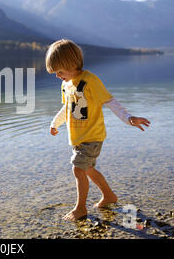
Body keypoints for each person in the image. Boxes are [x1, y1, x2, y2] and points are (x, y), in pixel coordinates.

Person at [46, 39, 150, 221]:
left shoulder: (90, 81)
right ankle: (109, 196)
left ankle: (80, 209)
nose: (57, 76)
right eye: (55, 72)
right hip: (78, 138)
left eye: (59, 71)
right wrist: (55, 123)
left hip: (92, 137)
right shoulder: (66, 84)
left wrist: (128, 118)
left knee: (78, 170)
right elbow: (68, 108)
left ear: (71, 64)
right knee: (88, 170)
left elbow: (109, 101)